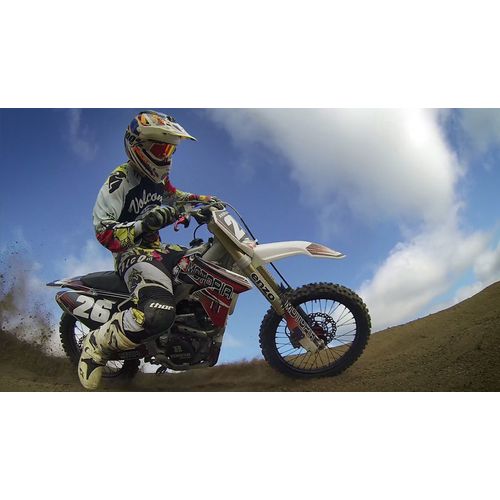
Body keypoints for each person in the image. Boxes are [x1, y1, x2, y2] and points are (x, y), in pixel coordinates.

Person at [78, 110, 220, 390]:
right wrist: (142, 225)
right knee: (157, 313)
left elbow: (175, 197)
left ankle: (184, 334)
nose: (166, 156)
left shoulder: (158, 180)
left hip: (158, 250)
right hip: (131, 256)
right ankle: (97, 344)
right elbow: (104, 232)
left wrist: (205, 201)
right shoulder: (119, 181)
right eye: (160, 149)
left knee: (207, 261)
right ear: (138, 147)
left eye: (170, 149)